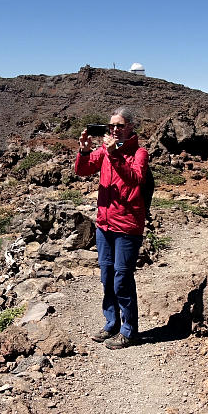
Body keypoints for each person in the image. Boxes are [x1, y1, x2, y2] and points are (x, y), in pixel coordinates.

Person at [75, 107, 151, 349]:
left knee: (122, 279)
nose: (114, 130)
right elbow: (82, 170)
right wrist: (84, 151)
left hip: (127, 226)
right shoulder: (104, 152)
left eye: (119, 125)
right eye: (111, 126)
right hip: (104, 225)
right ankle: (112, 324)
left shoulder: (139, 153)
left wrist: (114, 154)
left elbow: (136, 179)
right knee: (107, 277)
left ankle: (129, 331)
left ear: (130, 127)